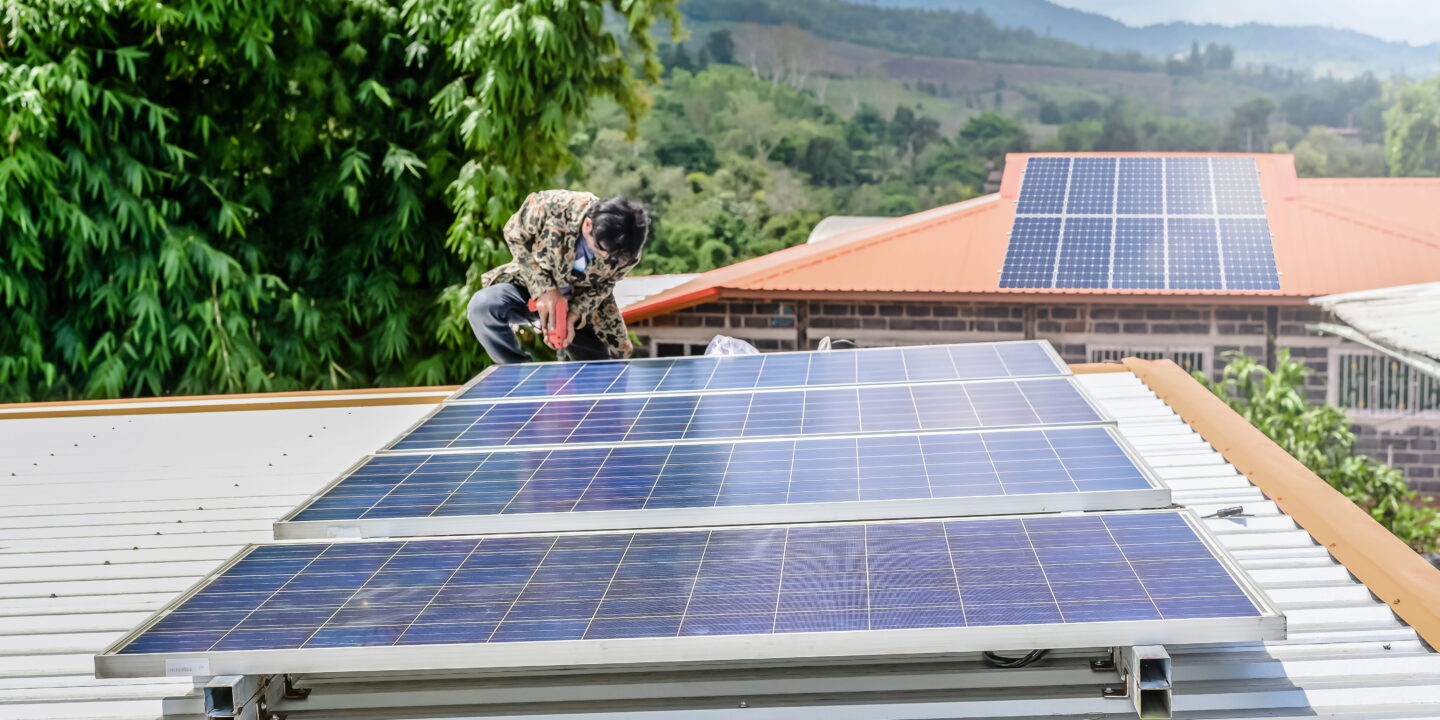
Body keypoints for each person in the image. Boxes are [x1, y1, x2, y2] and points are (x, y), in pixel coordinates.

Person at [468, 190, 649, 363]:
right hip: (529, 287)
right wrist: (545, 289)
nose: (606, 258)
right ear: (588, 225)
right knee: (483, 306)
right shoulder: (552, 205)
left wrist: (573, 315)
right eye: (601, 250)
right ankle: (515, 372)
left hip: (581, 306)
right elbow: (514, 235)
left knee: (603, 375)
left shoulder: (626, 252)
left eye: (613, 257)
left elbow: (604, 285)